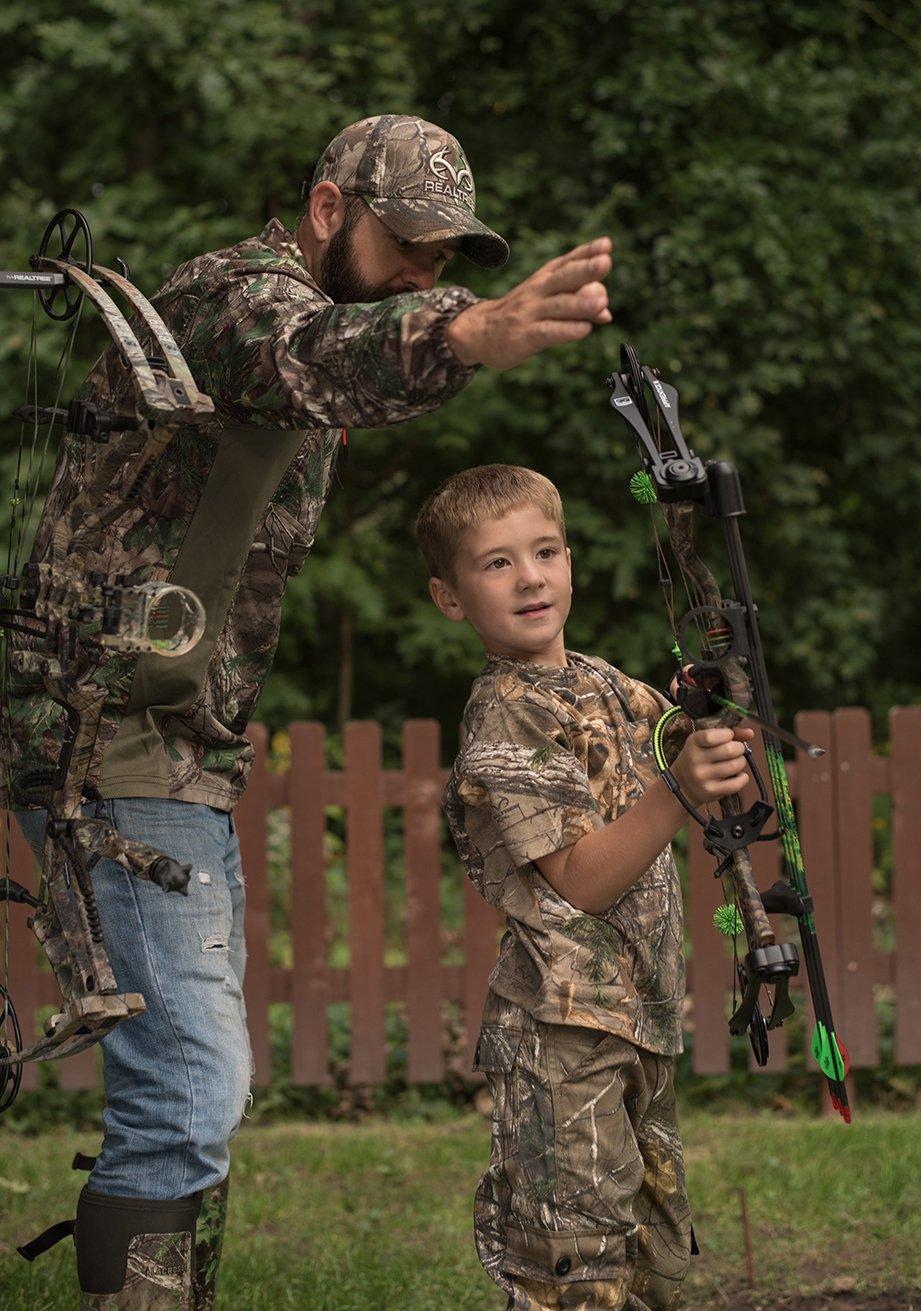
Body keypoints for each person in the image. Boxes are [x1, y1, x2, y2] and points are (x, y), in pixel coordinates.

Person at [6, 115, 614, 1308]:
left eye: (448, 260)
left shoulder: (315, 325)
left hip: (177, 748)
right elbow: (313, 351)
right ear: (328, 209)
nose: (427, 274)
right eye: (409, 245)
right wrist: (470, 333)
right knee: (187, 1080)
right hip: (104, 736)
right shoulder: (230, 298)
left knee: (198, 1080)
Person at [416, 464, 754, 1311]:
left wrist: (718, 698)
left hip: (637, 1017)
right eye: (495, 563)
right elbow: (581, 880)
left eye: (545, 551)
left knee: (654, 1254)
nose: (529, 576)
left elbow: (682, 718)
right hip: (561, 1037)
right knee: (576, 1265)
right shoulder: (505, 715)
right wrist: (679, 785)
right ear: (449, 597)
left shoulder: (599, 681)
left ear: (571, 562)